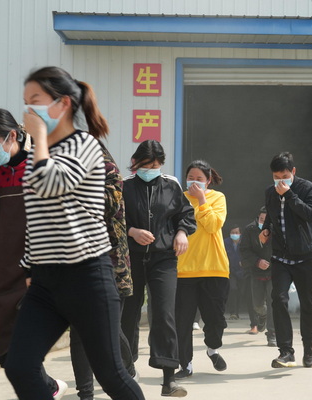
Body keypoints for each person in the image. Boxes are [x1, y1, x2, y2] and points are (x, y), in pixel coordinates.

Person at [3, 66, 144, 400]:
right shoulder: (40, 153)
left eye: (35, 99)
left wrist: (37, 141)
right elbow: (37, 216)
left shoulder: (84, 145)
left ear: (63, 103)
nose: (28, 110)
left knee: (111, 374)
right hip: (45, 281)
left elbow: (51, 183)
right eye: (25, 101)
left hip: (87, 276)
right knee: (19, 365)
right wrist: (29, 267)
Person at [0, 108, 68, 399]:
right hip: (2, 272)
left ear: (11, 136)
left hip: (38, 271)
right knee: (8, 356)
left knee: (26, 354)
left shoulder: (40, 166)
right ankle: (50, 388)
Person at [121, 139, 196, 397]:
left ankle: (168, 379)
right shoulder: (124, 186)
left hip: (163, 259)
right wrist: (132, 231)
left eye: (155, 166)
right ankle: (127, 369)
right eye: (145, 165)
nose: (150, 170)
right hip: (131, 258)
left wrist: (182, 232)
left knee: (164, 314)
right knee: (128, 314)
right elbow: (112, 219)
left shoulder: (171, 185)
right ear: (135, 162)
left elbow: (185, 214)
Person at [69, 139, 136, 400]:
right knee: (79, 330)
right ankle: (85, 393)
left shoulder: (110, 175)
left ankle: (127, 373)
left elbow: (108, 204)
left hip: (110, 265)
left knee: (108, 330)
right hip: (75, 265)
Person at [259, 152, 312, 369]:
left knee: (308, 304)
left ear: (293, 172)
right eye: (276, 177)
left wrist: (289, 194)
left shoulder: (308, 189)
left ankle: (309, 348)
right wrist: (266, 230)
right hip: (280, 257)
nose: (280, 181)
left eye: (284, 176)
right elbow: (271, 217)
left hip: (305, 257)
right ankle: (286, 351)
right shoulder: (270, 192)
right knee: (279, 299)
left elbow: (311, 215)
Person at [175, 160, 230, 379]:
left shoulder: (218, 197)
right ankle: (185, 364)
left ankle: (212, 349)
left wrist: (202, 200)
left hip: (214, 268)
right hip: (184, 270)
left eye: (199, 179)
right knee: (183, 322)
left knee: (215, 319)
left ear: (208, 181)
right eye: (191, 178)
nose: (194, 182)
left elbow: (213, 225)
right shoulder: (178, 198)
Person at [240, 206, 276, 347]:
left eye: (267, 220)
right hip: (256, 273)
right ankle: (262, 315)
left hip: (273, 272)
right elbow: (244, 251)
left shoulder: (277, 228)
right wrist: (257, 261)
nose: (264, 222)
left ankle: (272, 334)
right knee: (258, 304)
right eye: (262, 219)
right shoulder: (250, 229)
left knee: (273, 303)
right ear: (258, 218)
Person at [224, 225, 244, 320]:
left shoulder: (244, 242)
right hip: (230, 271)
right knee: (233, 289)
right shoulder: (225, 242)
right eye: (232, 233)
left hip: (243, 271)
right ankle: (233, 312)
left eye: (236, 233)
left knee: (242, 291)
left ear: (240, 234)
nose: (234, 234)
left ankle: (238, 310)